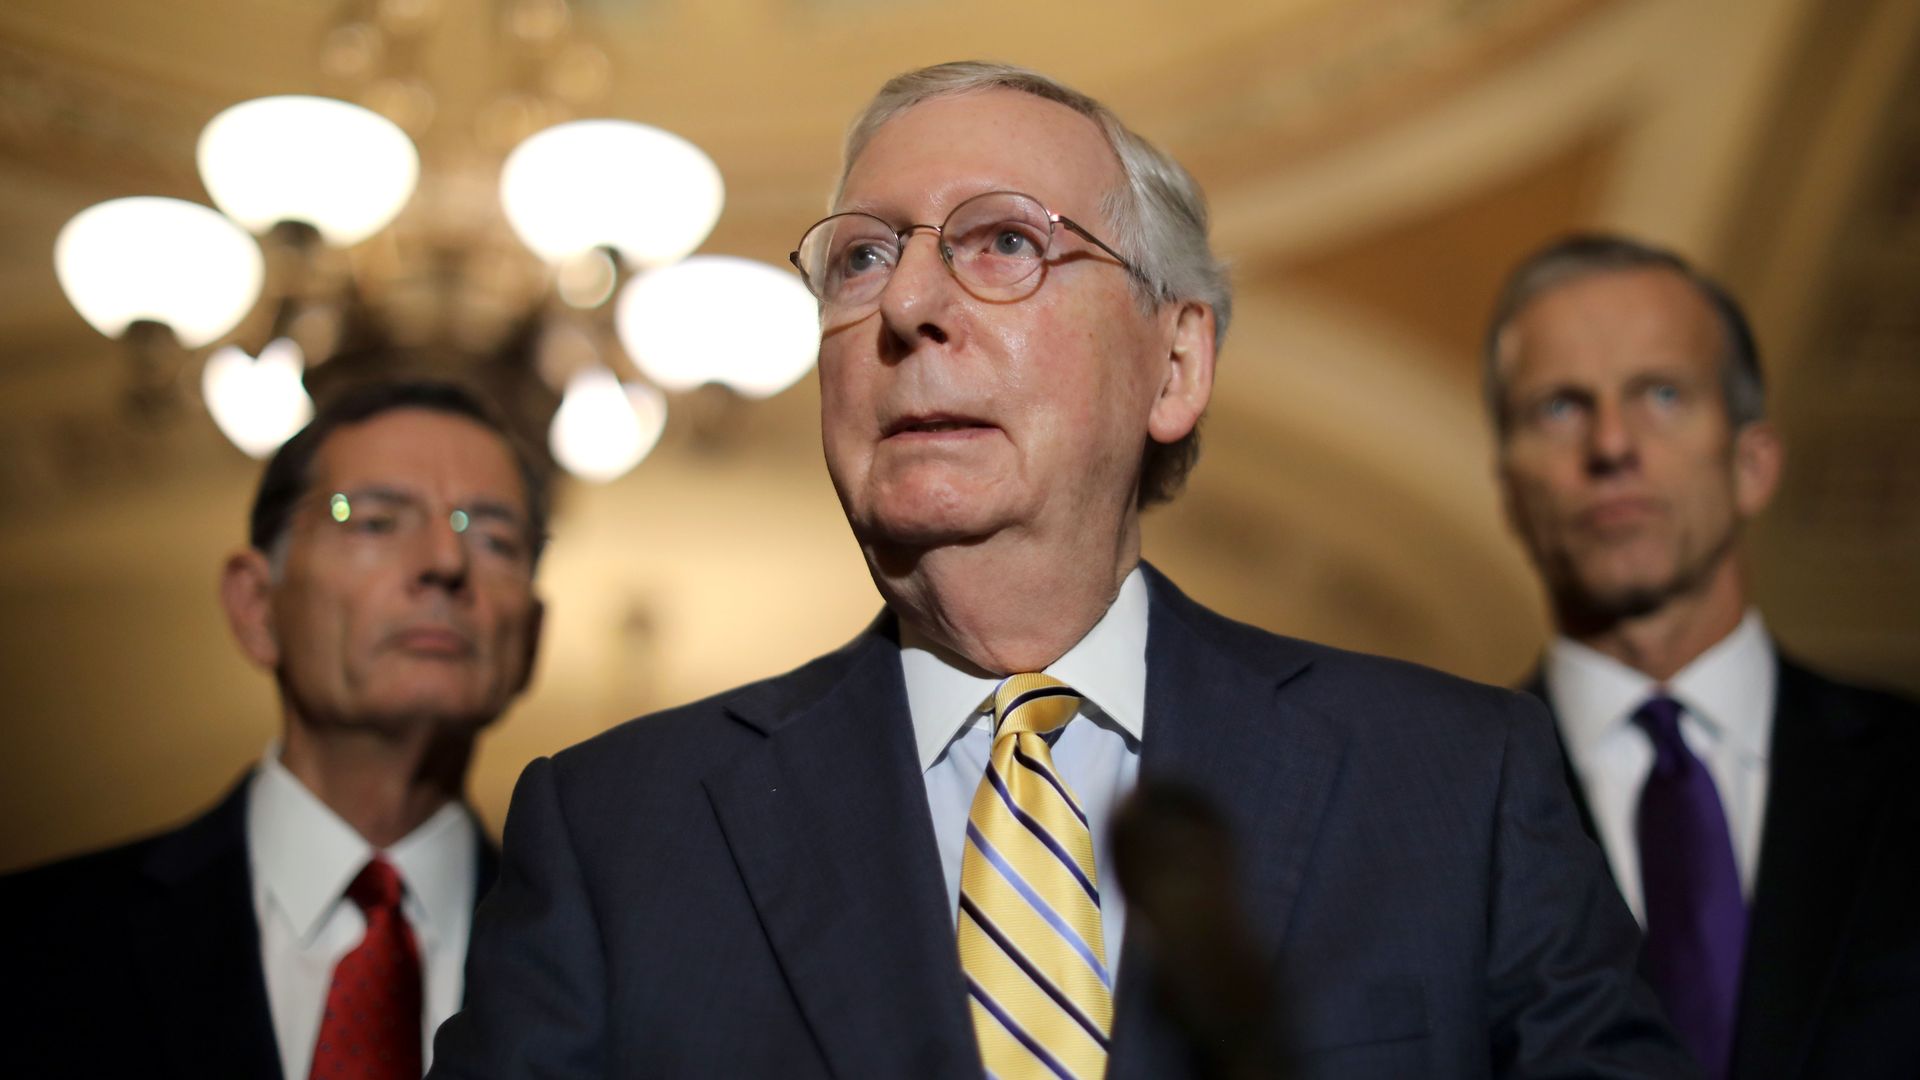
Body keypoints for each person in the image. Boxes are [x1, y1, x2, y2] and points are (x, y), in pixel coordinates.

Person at [429, 63, 1691, 1079]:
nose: (908, 305)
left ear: (1175, 365)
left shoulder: (1460, 786)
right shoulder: (616, 835)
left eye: (1002, 242)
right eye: (861, 257)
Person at [0, 379, 548, 1080]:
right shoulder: (37, 945)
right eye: (376, 520)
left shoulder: (609, 969)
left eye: (496, 537)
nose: (446, 562)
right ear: (257, 606)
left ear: (530, 637)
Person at [1486, 233, 1920, 1080]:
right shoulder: (1433, 823)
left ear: (1754, 464)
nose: (1612, 445)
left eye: (1661, 393)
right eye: (1561, 408)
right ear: (1508, 490)